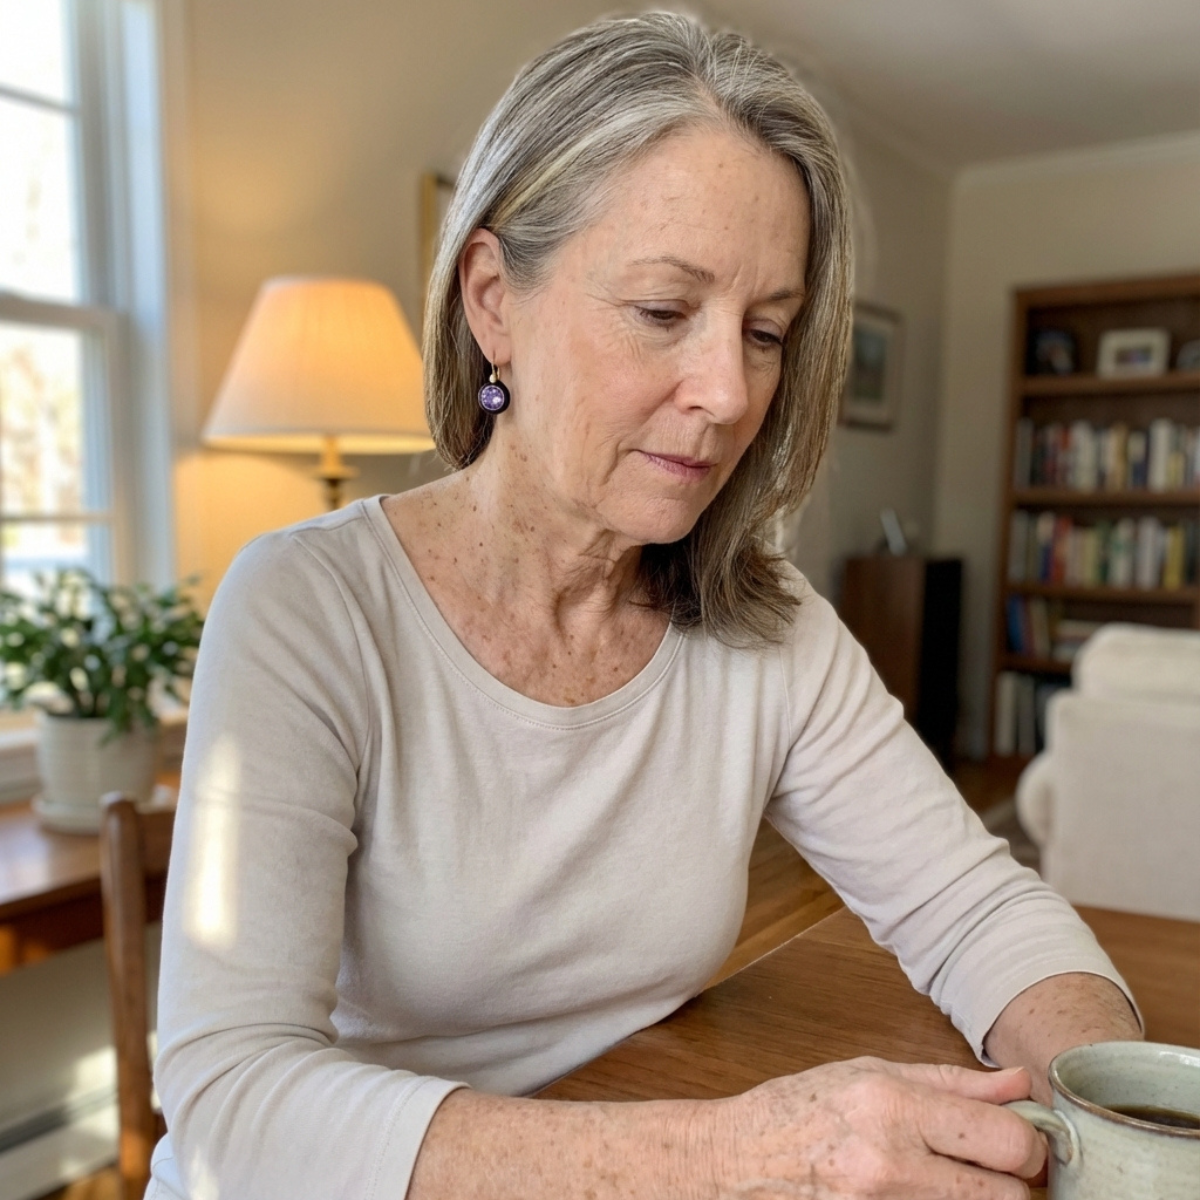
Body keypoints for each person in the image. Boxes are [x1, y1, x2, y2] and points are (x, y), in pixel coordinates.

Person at [149, 12, 1140, 1199]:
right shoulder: (308, 607)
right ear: (492, 299)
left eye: (766, 332)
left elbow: (972, 907)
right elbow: (229, 1105)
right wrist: (730, 1156)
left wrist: (1124, 1114)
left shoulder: (768, 627)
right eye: (665, 313)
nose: (729, 393)